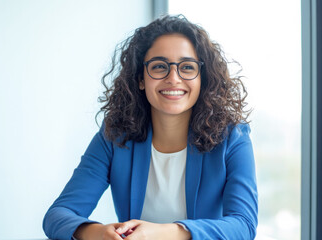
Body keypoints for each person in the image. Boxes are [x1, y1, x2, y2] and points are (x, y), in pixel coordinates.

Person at [43, 15, 258, 240]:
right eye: (159, 67)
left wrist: (166, 232)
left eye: (186, 67)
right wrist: (99, 233)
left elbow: (243, 226)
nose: (173, 78)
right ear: (140, 78)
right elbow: (58, 215)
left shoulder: (233, 138)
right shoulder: (115, 136)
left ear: (202, 78)